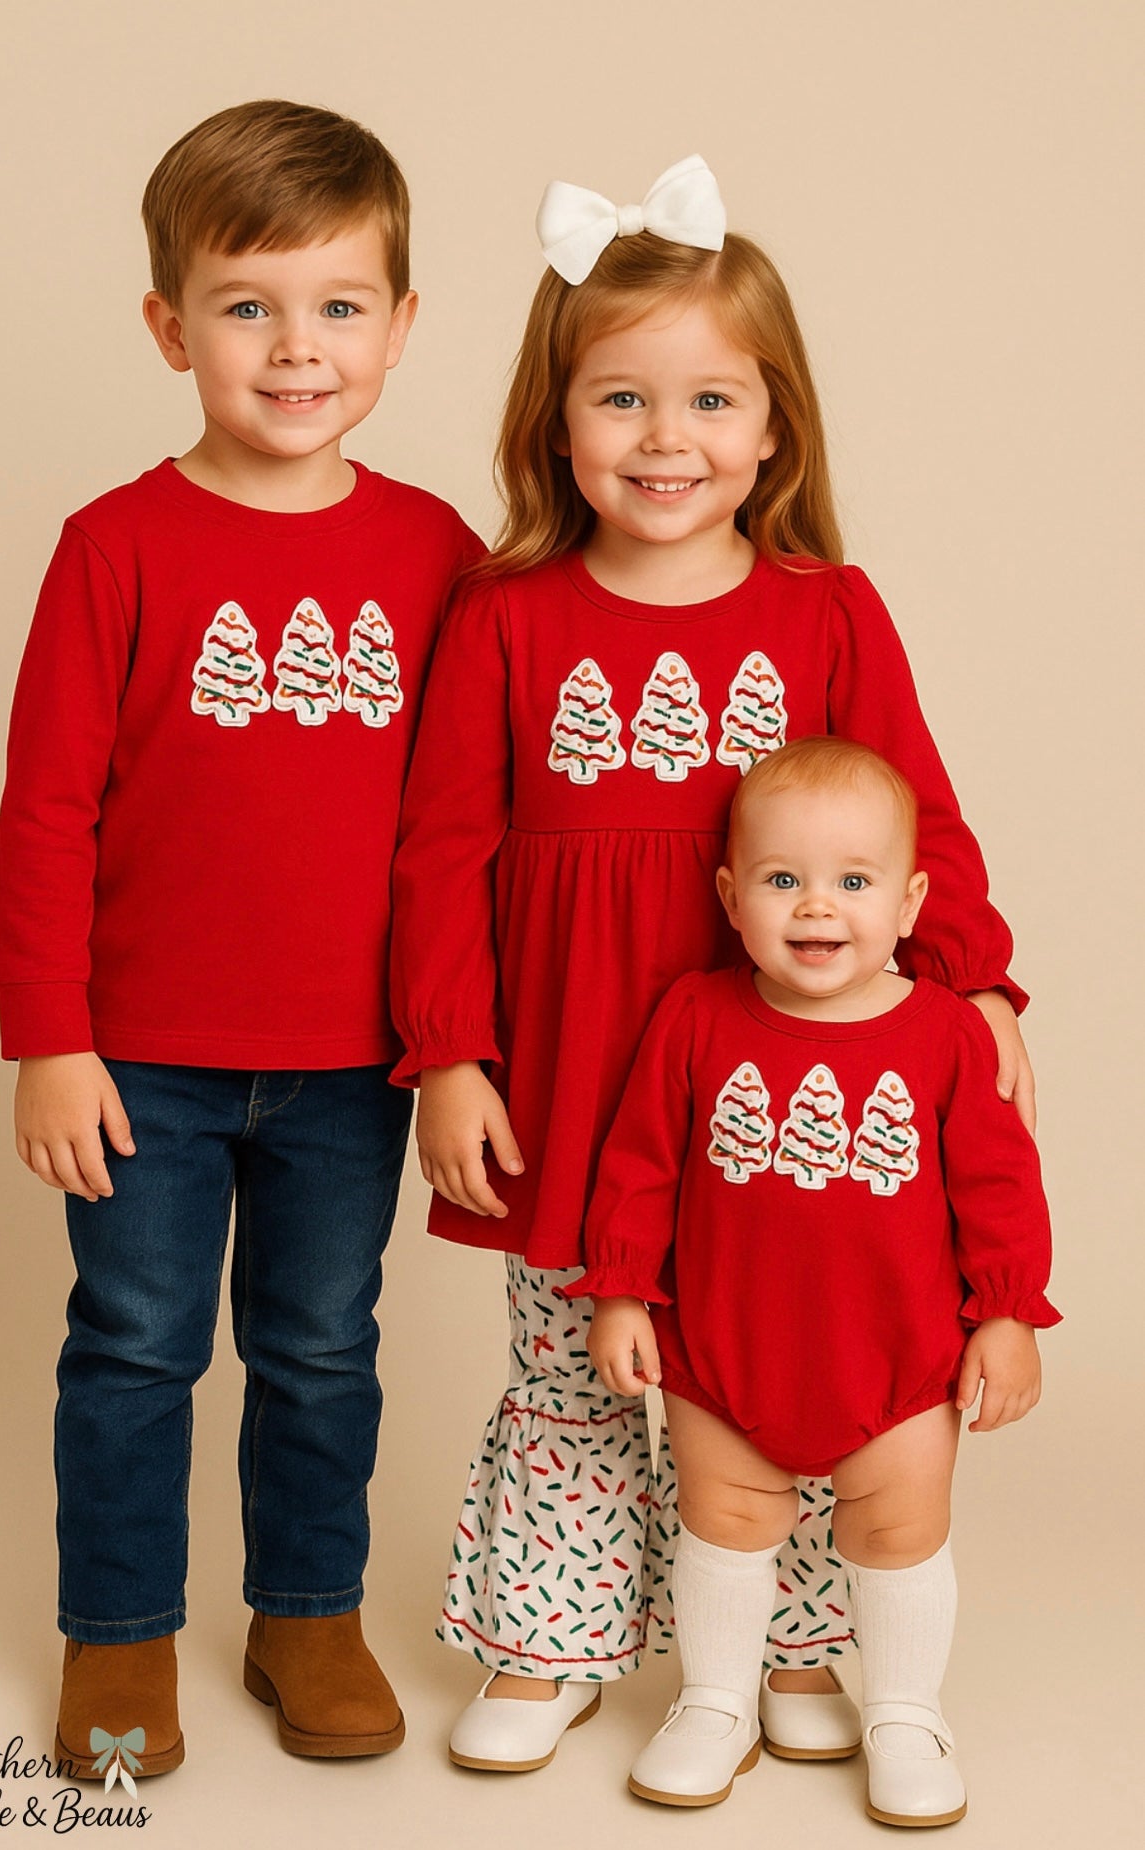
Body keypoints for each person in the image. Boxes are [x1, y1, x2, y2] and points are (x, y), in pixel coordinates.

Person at [390, 156, 1036, 1774]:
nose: (665, 439)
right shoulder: (505, 616)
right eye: (620, 398)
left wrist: (974, 982)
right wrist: (451, 1052)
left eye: (707, 401)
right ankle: (548, 1644)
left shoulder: (825, 611)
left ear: (772, 429)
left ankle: (805, 1646)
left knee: (792, 1359)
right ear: (557, 422)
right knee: (573, 1370)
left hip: (780, 1089)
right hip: (567, 1062)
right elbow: (439, 854)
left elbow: (917, 811)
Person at [0, 99, 481, 1778]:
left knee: (319, 1345)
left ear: (402, 327)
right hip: (142, 1059)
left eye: (340, 305)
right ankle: (118, 1638)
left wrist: (461, 1036)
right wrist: (49, 1035)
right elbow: (46, 811)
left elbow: (460, 824)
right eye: (248, 305)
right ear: (168, 324)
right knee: (132, 1349)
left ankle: (305, 1613)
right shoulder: (114, 550)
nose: (295, 348)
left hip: (355, 1061)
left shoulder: (435, 556)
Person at [570, 735, 1058, 1826]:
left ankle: (903, 1710)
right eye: (783, 879)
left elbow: (998, 1184)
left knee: (898, 1532)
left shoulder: (941, 1032)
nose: (816, 908)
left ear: (911, 899)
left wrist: (1010, 1312)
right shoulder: (696, 1015)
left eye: (852, 880)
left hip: (898, 1357)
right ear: (731, 895)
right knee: (724, 1521)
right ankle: (713, 1700)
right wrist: (619, 1290)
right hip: (725, 1347)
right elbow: (639, 1166)